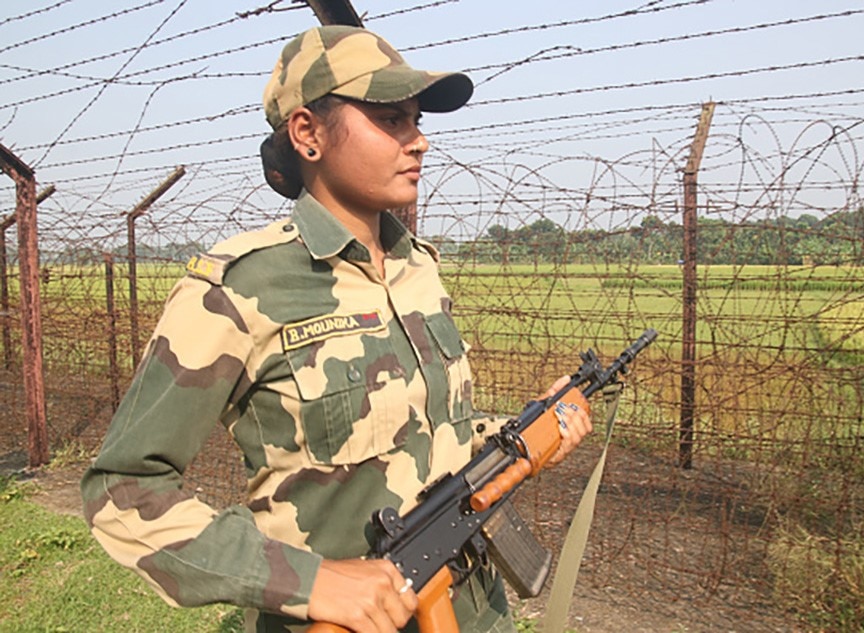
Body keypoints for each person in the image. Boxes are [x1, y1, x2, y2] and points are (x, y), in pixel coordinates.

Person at [81, 25, 592, 633]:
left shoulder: (418, 267)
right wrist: (308, 582)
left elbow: (426, 435)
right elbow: (122, 488)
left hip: (475, 611)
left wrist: (521, 433)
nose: (420, 142)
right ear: (308, 133)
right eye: (392, 120)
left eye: (416, 121)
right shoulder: (241, 289)